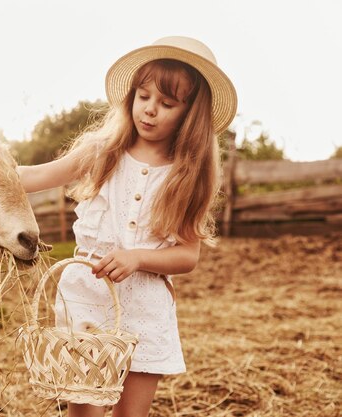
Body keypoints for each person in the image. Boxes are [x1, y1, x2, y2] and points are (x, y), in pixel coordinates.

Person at [17, 36, 237, 417]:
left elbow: (188, 255)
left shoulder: (188, 176)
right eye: (143, 96)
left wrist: (138, 258)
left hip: (146, 309)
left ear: (190, 113)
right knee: (85, 410)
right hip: (87, 295)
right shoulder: (102, 151)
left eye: (167, 104)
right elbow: (33, 176)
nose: (150, 110)